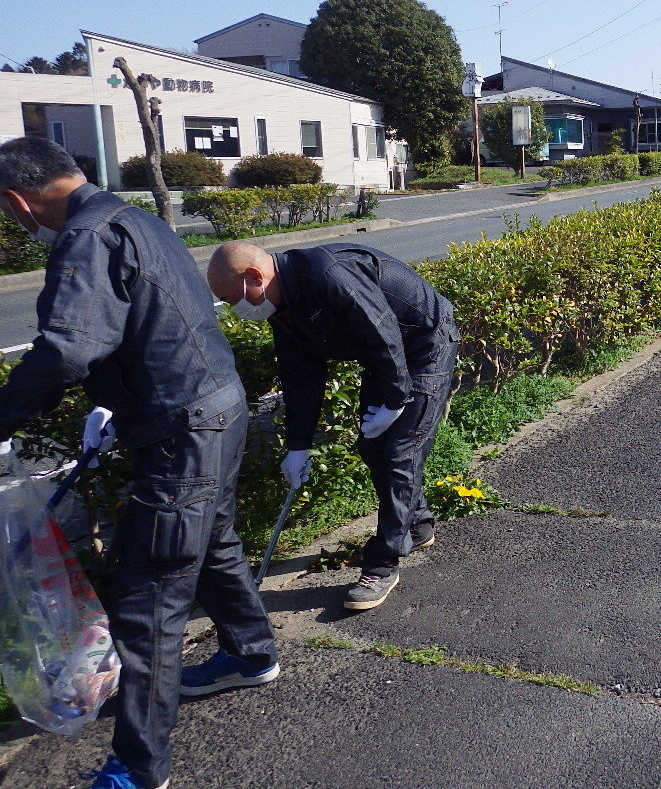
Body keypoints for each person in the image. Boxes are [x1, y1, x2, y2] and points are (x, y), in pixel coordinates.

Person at [0, 137, 277, 789]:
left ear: (16, 201)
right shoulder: (133, 218)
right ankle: (251, 653)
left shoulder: (85, 238)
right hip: (216, 403)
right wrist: (111, 401)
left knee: (149, 597)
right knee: (213, 541)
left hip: (181, 424)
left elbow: (67, 349)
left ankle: (138, 767)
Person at [206, 241, 460, 611]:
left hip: (424, 345)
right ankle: (416, 523)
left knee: (399, 453)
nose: (234, 309)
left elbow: (382, 330)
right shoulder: (281, 306)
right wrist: (297, 446)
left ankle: (383, 562)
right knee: (373, 446)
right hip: (384, 354)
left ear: (255, 277)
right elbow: (301, 377)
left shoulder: (328, 273)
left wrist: (395, 400)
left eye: (232, 299)